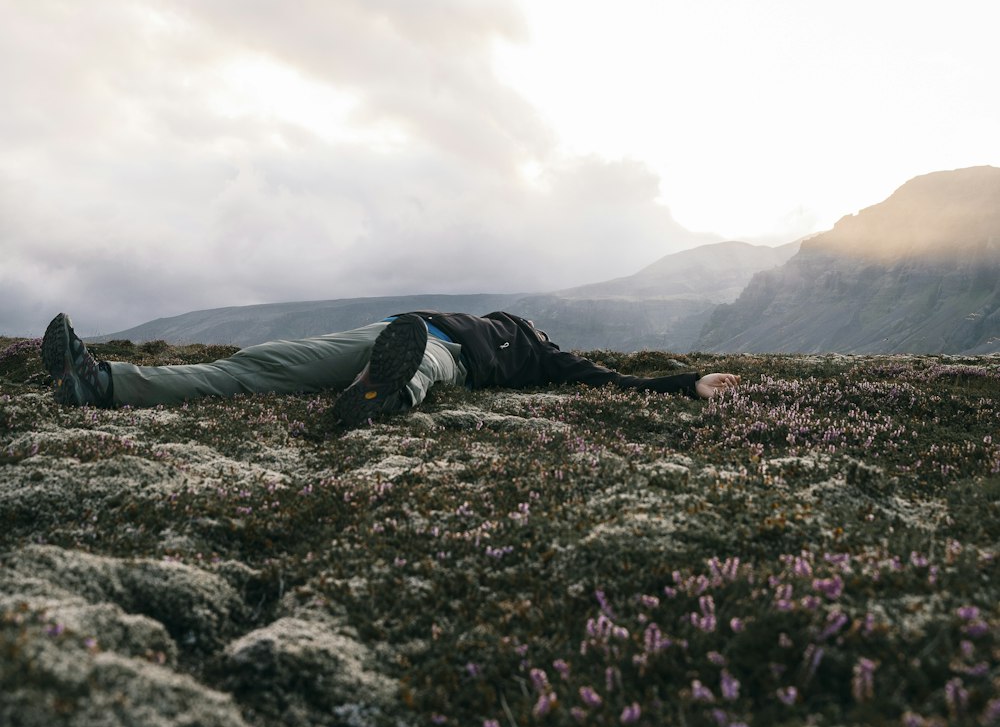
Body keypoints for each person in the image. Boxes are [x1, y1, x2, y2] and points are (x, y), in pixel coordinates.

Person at [41, 310, 740, 431]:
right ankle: (102, 381)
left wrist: (686, 383)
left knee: (424, 369)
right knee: (254, 366)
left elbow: (606, 382)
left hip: (446, 354)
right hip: (388, 331)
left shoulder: (539, 352)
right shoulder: (508, 318)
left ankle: (380, 394)